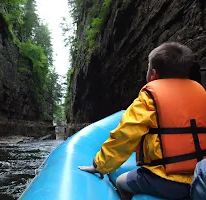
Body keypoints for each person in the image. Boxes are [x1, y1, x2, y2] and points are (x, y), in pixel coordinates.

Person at [78, 42, 206, 200]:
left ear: (153, 73)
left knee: (120, 182)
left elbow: (125, 135)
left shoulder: (148, 99)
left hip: (167, 181)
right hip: (200, 176)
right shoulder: (201, 93)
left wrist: (99, 165)